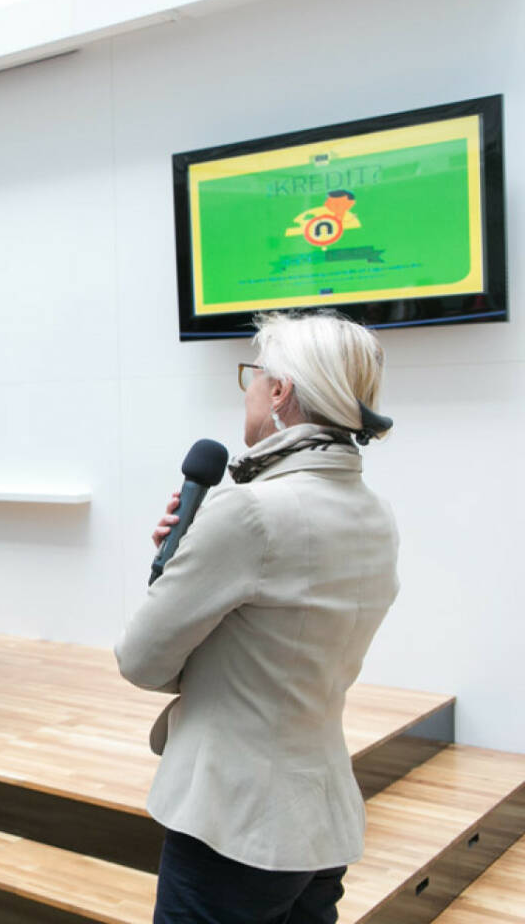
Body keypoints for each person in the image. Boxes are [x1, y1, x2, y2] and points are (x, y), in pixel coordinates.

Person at [115, 310, 399, 923]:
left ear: (280, 391)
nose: (247, 387)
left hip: (234, 821)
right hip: (319, 819)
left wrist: (185, 563)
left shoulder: (250, 513)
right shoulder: (375, 515)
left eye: (253, 374)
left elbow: (141, 661)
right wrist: (188, 559)